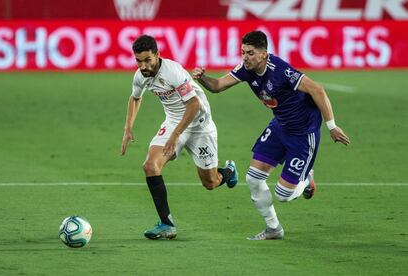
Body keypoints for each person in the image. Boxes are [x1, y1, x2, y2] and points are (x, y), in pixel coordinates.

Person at [193, 30, 350, 240]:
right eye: (243, 52)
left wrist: (332, 126)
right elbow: (218, 86)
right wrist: (202, 78)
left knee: (283, 195)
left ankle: (307, 177)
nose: (245, 57)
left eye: (250, 53)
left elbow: (317, 90)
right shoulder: (245, 69)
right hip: (279, 127)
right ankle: (273, 229)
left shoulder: (281, 70)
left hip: (303, 133)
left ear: (264, 54)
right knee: (253, 179)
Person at [120, 35, 238, 240]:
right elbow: (135, 97)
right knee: (150, 166)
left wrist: (175, 136)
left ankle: (229, 171)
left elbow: (194, 105)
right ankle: (167, 224)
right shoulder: (140, 76)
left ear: (158, 55)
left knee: (210, 183)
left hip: (200, 125)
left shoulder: (172, 71)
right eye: (139, 60)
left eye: (148, 59)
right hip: (174, 121)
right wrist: (128, 127)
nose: (143, 65)